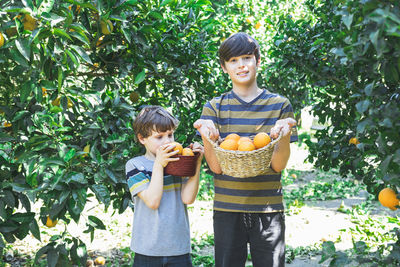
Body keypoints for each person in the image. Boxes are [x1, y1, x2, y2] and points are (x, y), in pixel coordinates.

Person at [194, 32, 298, 267]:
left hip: (268, 209)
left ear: (258, 61)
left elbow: (278, 165)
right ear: (224, 67)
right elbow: (217, 167)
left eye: (246, 58)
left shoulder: (280, 105)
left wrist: (285, 134)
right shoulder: (214, 108)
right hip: (227, 208)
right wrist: (206, 135)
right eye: (233, 60)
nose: (241, 65)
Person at [126, 105, 204, 267]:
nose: (168, 141)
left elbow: (188, 198)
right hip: (147, 249)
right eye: (159, 137)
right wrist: (159, 165)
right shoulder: (135, 165)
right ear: (142, 139)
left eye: (170, 135)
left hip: (178, 248)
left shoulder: (177, 163)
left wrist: (196, 163)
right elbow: (153, 201)